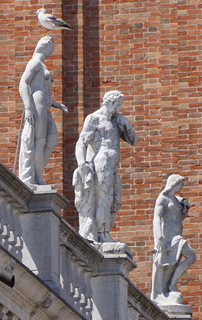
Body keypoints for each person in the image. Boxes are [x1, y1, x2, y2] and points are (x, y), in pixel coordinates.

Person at [73, 90, 137, 242]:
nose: (118, 109)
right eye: (117, 105)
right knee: (104, 199)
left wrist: (125, 122)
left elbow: (133, 140)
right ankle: (102, 234)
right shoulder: (94, 118)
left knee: (115, 201)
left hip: (112, 165)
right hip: (101, 162)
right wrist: (82, 163)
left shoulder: (116, 121)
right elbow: (82, 142)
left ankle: (104, 231)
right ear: (110, 103)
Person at [18, 36, 66, 186]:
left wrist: (56, 104)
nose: (53, 50)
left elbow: (44, 89)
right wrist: (28, 107)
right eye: (52, 47)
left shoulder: (42, 65)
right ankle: (36, 178)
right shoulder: (35, 63)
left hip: (45, 105)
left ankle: (36, 170)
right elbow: (23, 83)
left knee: (52, 140)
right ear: (45, 46)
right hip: (36, 104)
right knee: (39, 141)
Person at [150, 174, 195, 304]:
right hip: (167, 234)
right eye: (180, 184)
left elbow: (178, 219)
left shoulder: (178, 200)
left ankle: (171, 284)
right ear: (173, 184)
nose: (181, 187)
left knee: (190, 257)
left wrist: (185, 209)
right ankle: (161, 291)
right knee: (165, 263)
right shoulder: (162, 198)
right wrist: (159, 237)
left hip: (177, 234)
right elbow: (157, 218)